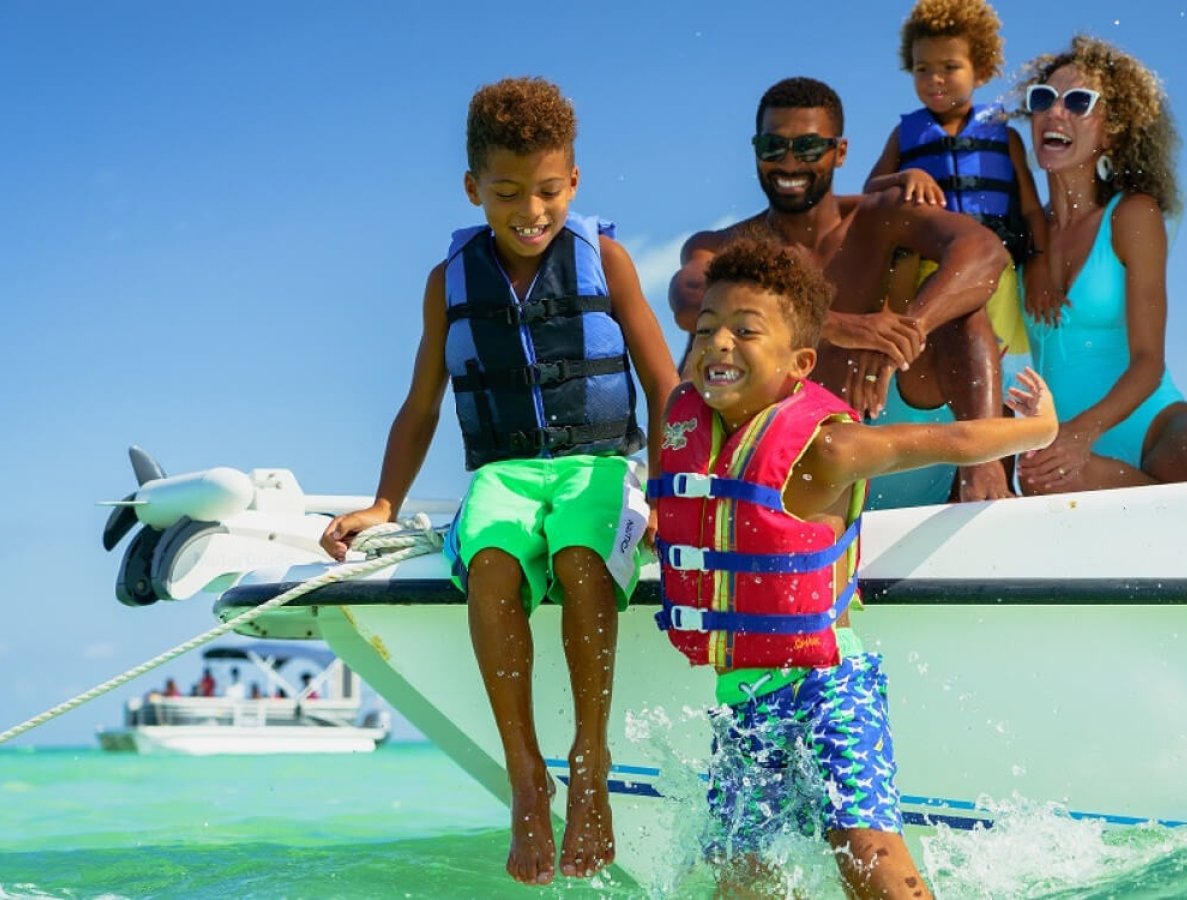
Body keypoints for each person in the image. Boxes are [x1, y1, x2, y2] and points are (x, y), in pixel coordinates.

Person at [319, 77, 678, 885]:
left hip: (602, 463)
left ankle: (591, 756)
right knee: (489, 565)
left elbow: (663, 384)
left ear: (574, 183)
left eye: (549, 190)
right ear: (473, 187)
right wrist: (384, 502)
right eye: (508, 192)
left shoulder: (605, 260)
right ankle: (525, 773)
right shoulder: (448, 283)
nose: (531, 210)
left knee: (584, 561)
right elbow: (421, 404)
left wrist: (666, 484)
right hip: (505, 472)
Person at [651, 238, 1057, 898]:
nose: (719, 344)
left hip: (827, 686)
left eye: (746, 331)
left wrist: (1037, 430)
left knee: (866, 855)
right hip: (744, 699)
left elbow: (947, 442)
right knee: (738, 878)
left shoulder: (826, 448)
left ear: (799, 363)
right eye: (706, 330)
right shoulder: (692, 425)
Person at [669, 77, 1014, 510]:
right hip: (798, 478)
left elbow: (986, 253)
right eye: (773, 147)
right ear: (756, 150)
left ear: (840, 152)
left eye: (809, 148)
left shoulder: (879, 217)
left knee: (965, 315)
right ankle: (687, 485)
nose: (789, 163)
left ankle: (984, 468)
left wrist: (903, 334)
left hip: (904, 443)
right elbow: (688, 299)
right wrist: (839, 327)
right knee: (715, 325)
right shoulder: (726, 245)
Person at [1013, 35, 1187, 494]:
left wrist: (1082, 433)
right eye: (1043, 99)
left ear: (1113, 129)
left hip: (1153, 424)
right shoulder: (1020, 232)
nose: (1055, 112)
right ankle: (1168, 502)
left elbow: (1148, 363)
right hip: (1064, 448)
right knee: (1042, 479)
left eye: (1078, 102)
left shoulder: (1132, 216)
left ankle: (1165, 500)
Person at [863, 0, 1058, 392]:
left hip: (997, 274)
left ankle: (1000, 444)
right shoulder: (905, 136)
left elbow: (1032, 210)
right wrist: (907, 174)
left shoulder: (1005, 135)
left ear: (980, 69)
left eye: (949, 67)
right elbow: (869, 192)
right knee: (937, 372)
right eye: (923, 69)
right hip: (927, 274)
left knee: (1001, 378)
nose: (935, 79)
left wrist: (1038, 266)